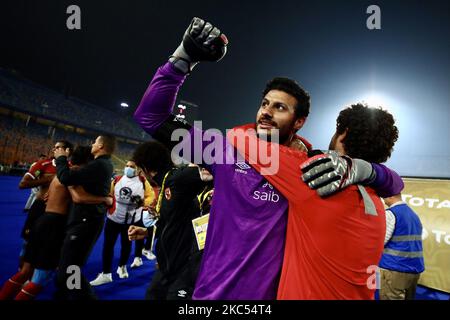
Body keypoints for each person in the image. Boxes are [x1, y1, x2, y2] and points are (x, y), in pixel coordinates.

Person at [133, 17, 404, 299]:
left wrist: (365, 169)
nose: (266, 112)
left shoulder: (314, 168)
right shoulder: (225, 150)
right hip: (212, 293)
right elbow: (150, 117)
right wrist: (182, 59)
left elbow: (390, 182)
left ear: (299, 121)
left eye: (279, 108)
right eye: (264, 104)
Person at [229, 103, 403, 299]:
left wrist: (299, 143)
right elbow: (396, 183)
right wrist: (371, 170)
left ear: (343, 134)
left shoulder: (310, 177)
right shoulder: (377, 201)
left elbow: (239, 136)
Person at [13, 146, 113, 300]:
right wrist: (105, 199)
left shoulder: (61, 174)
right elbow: (79, 198)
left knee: (27, 271)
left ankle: (68, 294)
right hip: (55, 226)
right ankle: (82, 296)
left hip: (43, 220)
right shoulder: (71, 176)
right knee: (55, 273)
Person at [128, 143, 213, 300]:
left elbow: (211, 166)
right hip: (167, 267)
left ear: (145, 168)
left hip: (184, 269)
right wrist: (147, 232)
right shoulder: (168, 183)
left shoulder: (178, 178)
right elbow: (171, 222)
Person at [0, 141, 73, 300]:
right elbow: (23, 184)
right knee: (28, 244)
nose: (55, 149)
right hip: (39, 209)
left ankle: (37, 277)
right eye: (54, 147)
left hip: (58, 214)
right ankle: (24, 275)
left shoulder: (71, 168)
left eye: (59, 147)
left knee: (50, 248)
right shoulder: (43, 164)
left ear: (67, 151)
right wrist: (48, 181)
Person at [53, 135, 115, 300]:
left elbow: (65, 177)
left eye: (94, 142)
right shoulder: (102, 165)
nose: (92, 144)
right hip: (85, 222)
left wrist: (61, 159)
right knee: (68, 269)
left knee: (70, 270)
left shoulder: (99, 165)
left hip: (85, 223)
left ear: (101, 146)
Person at [90, 160, 155, 286]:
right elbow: (109, 194)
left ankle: (122, 266)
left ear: (138, 170)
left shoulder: (142, 182)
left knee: (126, 245)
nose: (128, 168)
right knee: (108, 246)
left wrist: (142, 202)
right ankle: (106, 273)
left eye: (132, 167)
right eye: (127, 166)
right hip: (113, 218)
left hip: (131, 220)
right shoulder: (117, 179)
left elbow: (151, 196)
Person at [379, 193, 425, 300]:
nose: (383, 201)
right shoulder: (414, 215)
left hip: (394, 269)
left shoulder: (391, 214)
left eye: (384, 197)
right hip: (413, 270)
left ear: (390, 196)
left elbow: (381, 241)